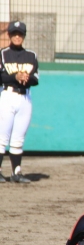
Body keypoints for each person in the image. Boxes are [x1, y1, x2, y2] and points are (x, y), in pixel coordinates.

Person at [0, 20, 38, 183]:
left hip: (25, 98)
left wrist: (26, 78)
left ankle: (16, 172)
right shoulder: (3, 53)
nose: (17, 37)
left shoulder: (31, 55)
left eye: (20, 34)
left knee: (18, 137)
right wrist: (15, 77)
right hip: (7, 96)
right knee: (2, 137)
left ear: (24, 36)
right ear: (9, 35)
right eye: (14, 34)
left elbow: (36, 79)